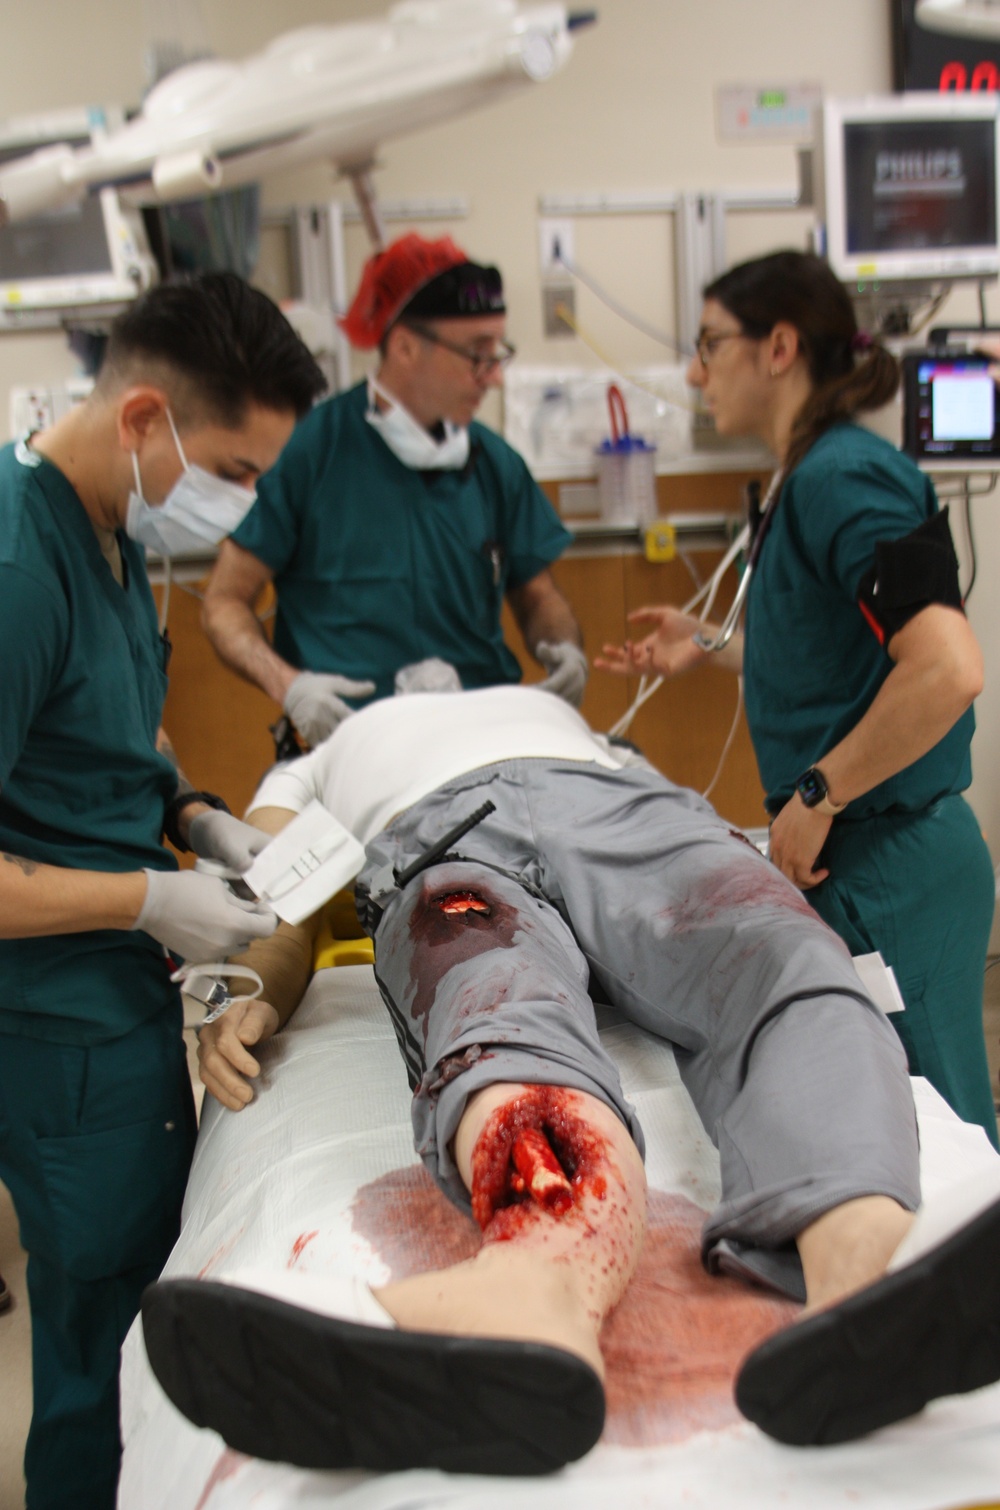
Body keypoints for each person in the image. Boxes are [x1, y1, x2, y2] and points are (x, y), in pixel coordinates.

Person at [141, 685, 1000, 1475]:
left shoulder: (548, 705)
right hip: (440, 839)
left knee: (778, 955)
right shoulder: (310, 760)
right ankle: (539, 1283)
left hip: (623, 810)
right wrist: (261, 995)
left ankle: (865, 1259)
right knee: (492, 1008)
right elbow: (277, 906)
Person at [0, 271, 327, 1510]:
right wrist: (149, 901)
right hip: (52, 1020)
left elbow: (105, 751)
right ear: (147, 418)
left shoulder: (107, 536)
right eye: (235, 470)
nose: (241, 502)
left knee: (137, 1324)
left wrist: (200, 822)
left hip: (114, 1005)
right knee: (105, 1354)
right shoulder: (19, 566)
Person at [598, 249, 998, 1150]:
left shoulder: (843, 478)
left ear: (778, 347)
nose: (695, 373)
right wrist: (704, 649)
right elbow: (831, 656)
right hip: (861, 854)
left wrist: (819, 793)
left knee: (944, 1133)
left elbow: (946, 669)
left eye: (709, 345)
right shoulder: (808, 477)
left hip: (892, 861)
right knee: (888, 1120)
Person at [201, 232, 587, 752]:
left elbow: (538, 596)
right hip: (347, 744)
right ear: (404, 346)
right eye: (477, 353)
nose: (494, 377)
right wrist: (291, 687)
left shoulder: (495, 464)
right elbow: (225, 603)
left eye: (499, 352)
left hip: (482, 741)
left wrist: (563, 649)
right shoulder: (311, 450)